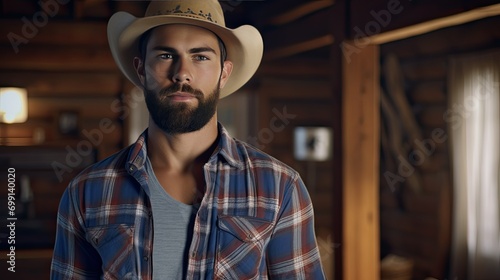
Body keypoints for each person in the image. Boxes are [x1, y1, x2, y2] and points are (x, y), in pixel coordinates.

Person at [50, 0, 326, 279]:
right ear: (141, 69)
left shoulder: (281, 188)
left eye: (201, 56)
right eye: (166, 55)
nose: (182, 73)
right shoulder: (86, 192)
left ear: (224, 73)